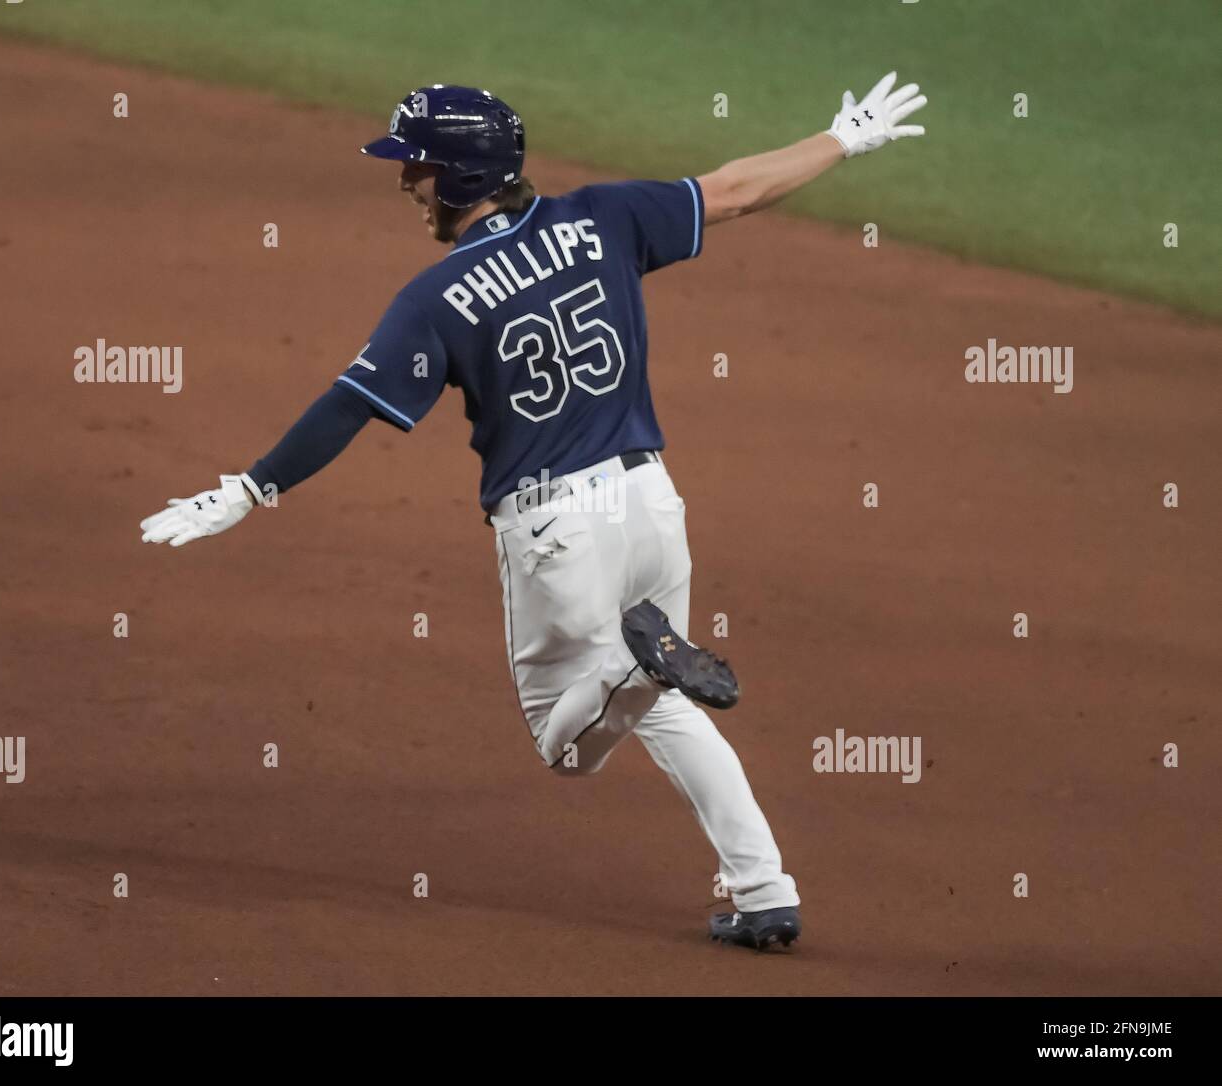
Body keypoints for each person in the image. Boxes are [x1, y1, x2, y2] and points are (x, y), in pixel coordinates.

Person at [140, 74, 927, 951]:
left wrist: (249, 489)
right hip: (652, 503)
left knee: (569, 743)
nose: (406, 183)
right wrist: (841, 138)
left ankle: (641, 664)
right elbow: (736, 188)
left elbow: (349, 404)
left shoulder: (435, 297)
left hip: (558, 533)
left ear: (464, 178)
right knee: (665, 710)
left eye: (418, 168)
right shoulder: (608, 215)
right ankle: (765, 889)